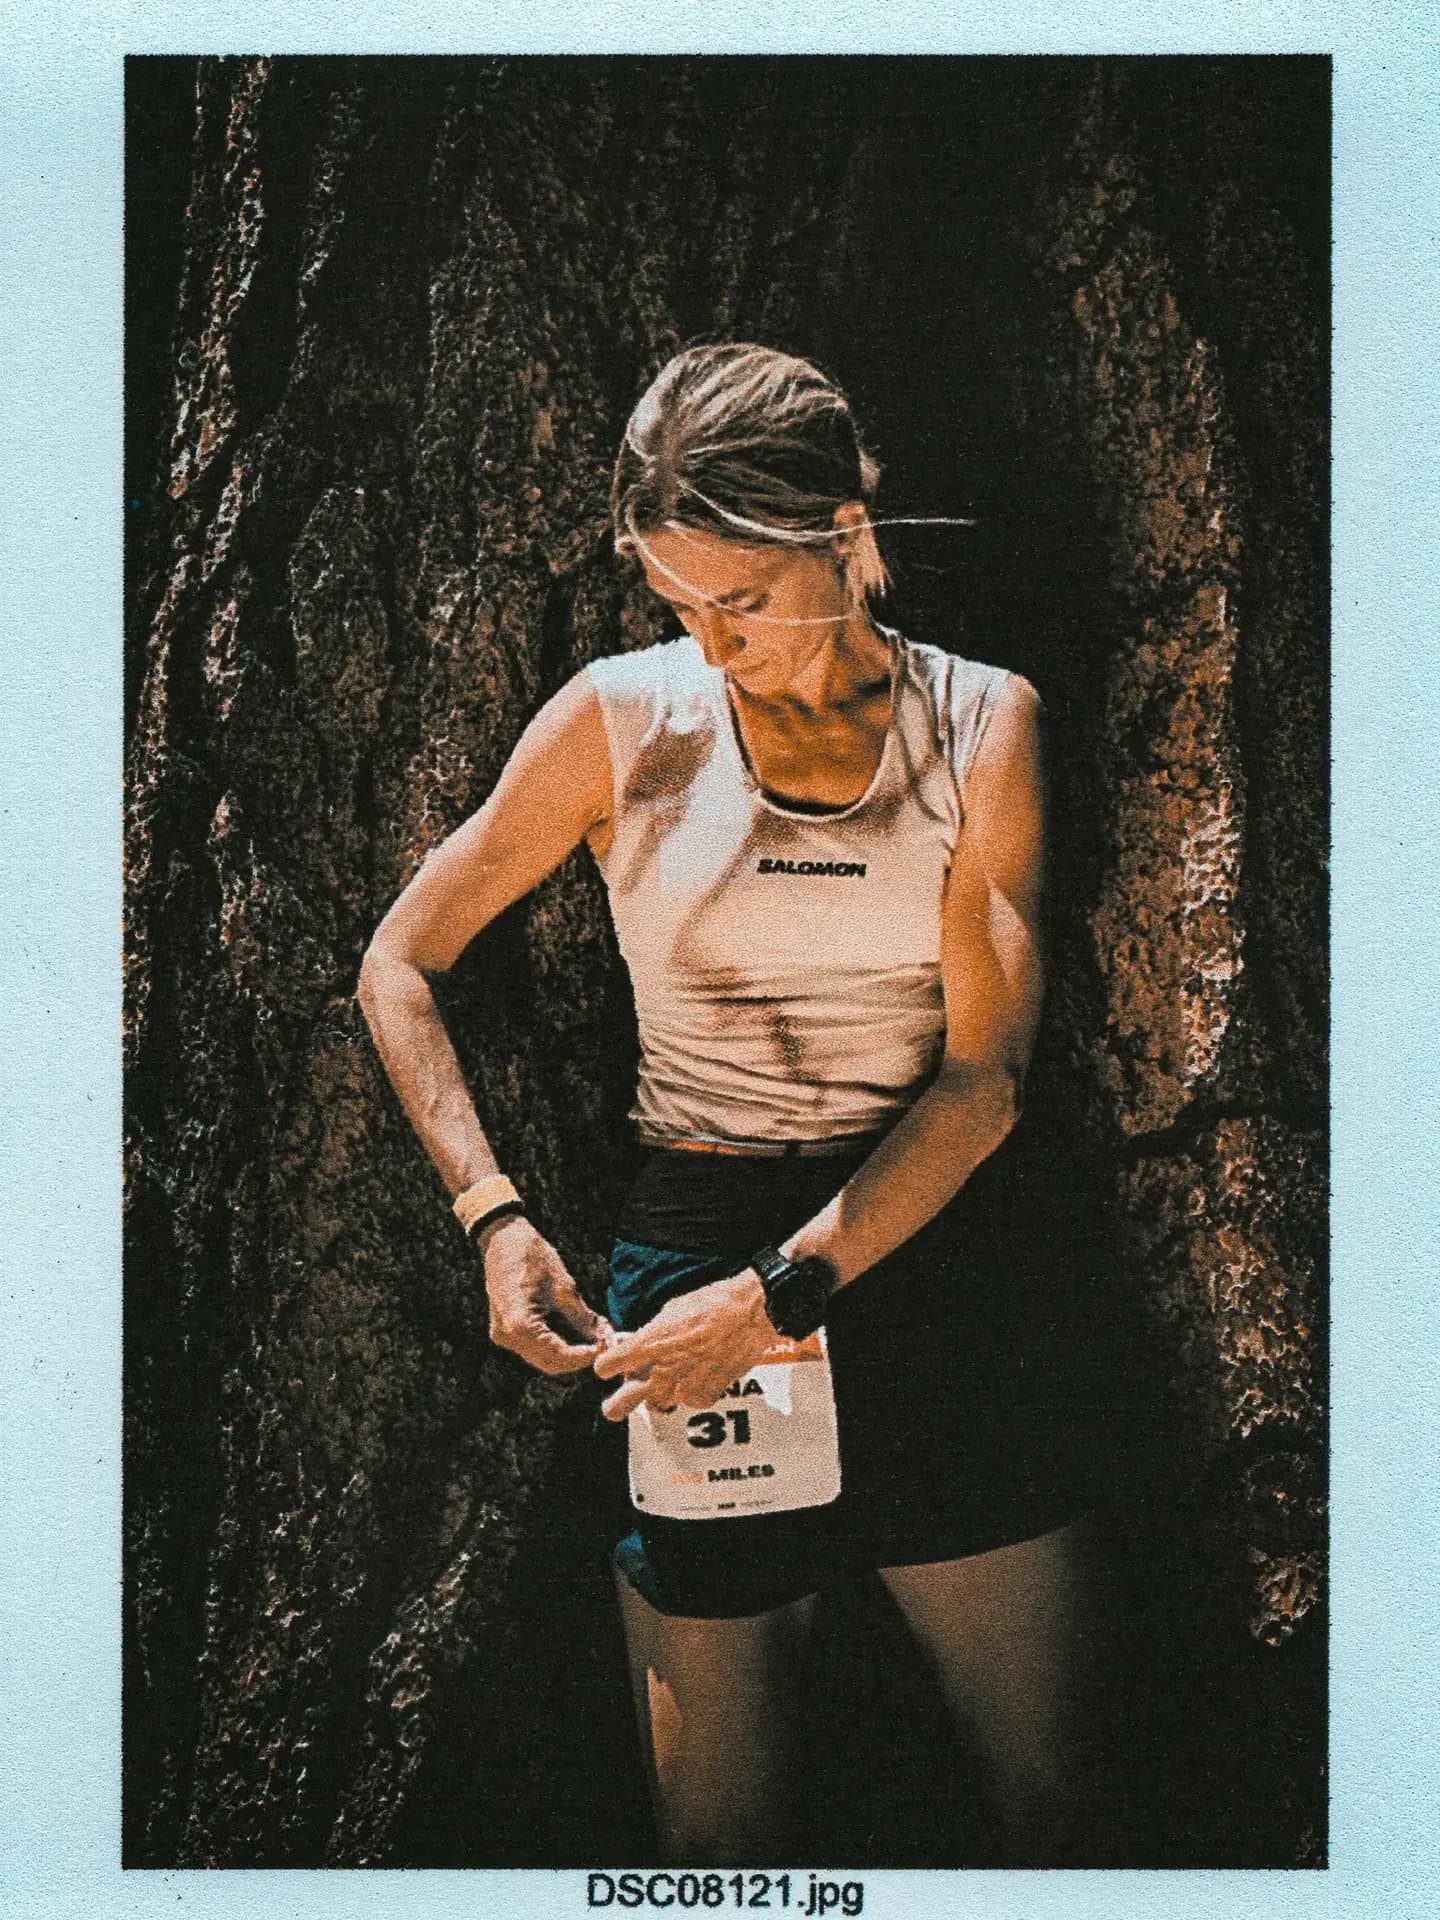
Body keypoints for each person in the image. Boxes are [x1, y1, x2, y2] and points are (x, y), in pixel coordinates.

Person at [358, 343, 1105, 1867]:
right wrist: (490, 1213)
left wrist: (778, 1298)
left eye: (742, 601)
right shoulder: (625, 722)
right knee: (718, 1845)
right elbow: (401, 962)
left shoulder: (980, 727)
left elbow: (983, 1084)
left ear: (841, 529)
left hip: (926, 1250)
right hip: (690, 1254)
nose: (711, 638)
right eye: (676, 602)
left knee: (1070, 1809)